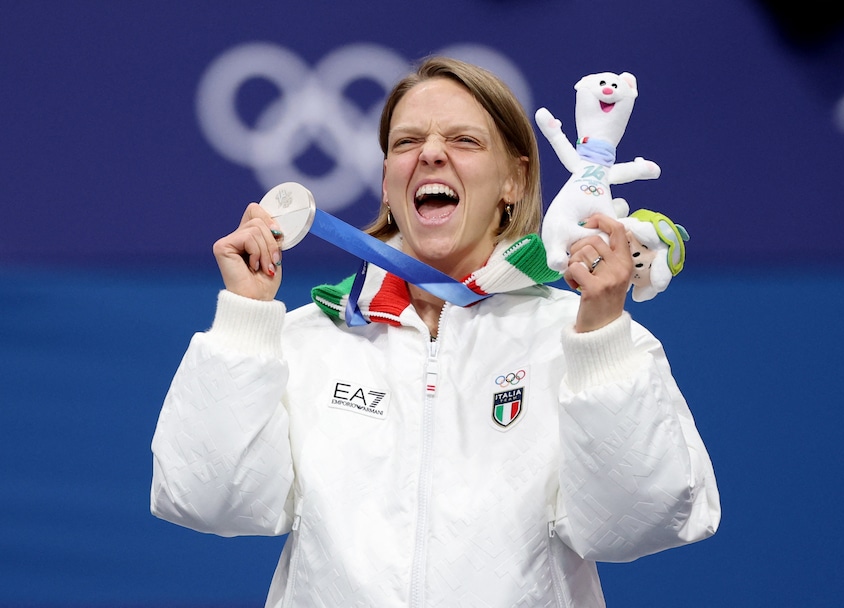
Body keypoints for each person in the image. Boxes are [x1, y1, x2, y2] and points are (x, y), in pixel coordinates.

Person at [150, 56, 720, 607]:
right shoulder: (308, 341)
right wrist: (246, 319)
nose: (429, 155)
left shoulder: (584, 340)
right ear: (387, 184)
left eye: (465, 141)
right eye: (406, 143)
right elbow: (206, 499)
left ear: (514, 182)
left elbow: (640, 523)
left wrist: (599, 340)